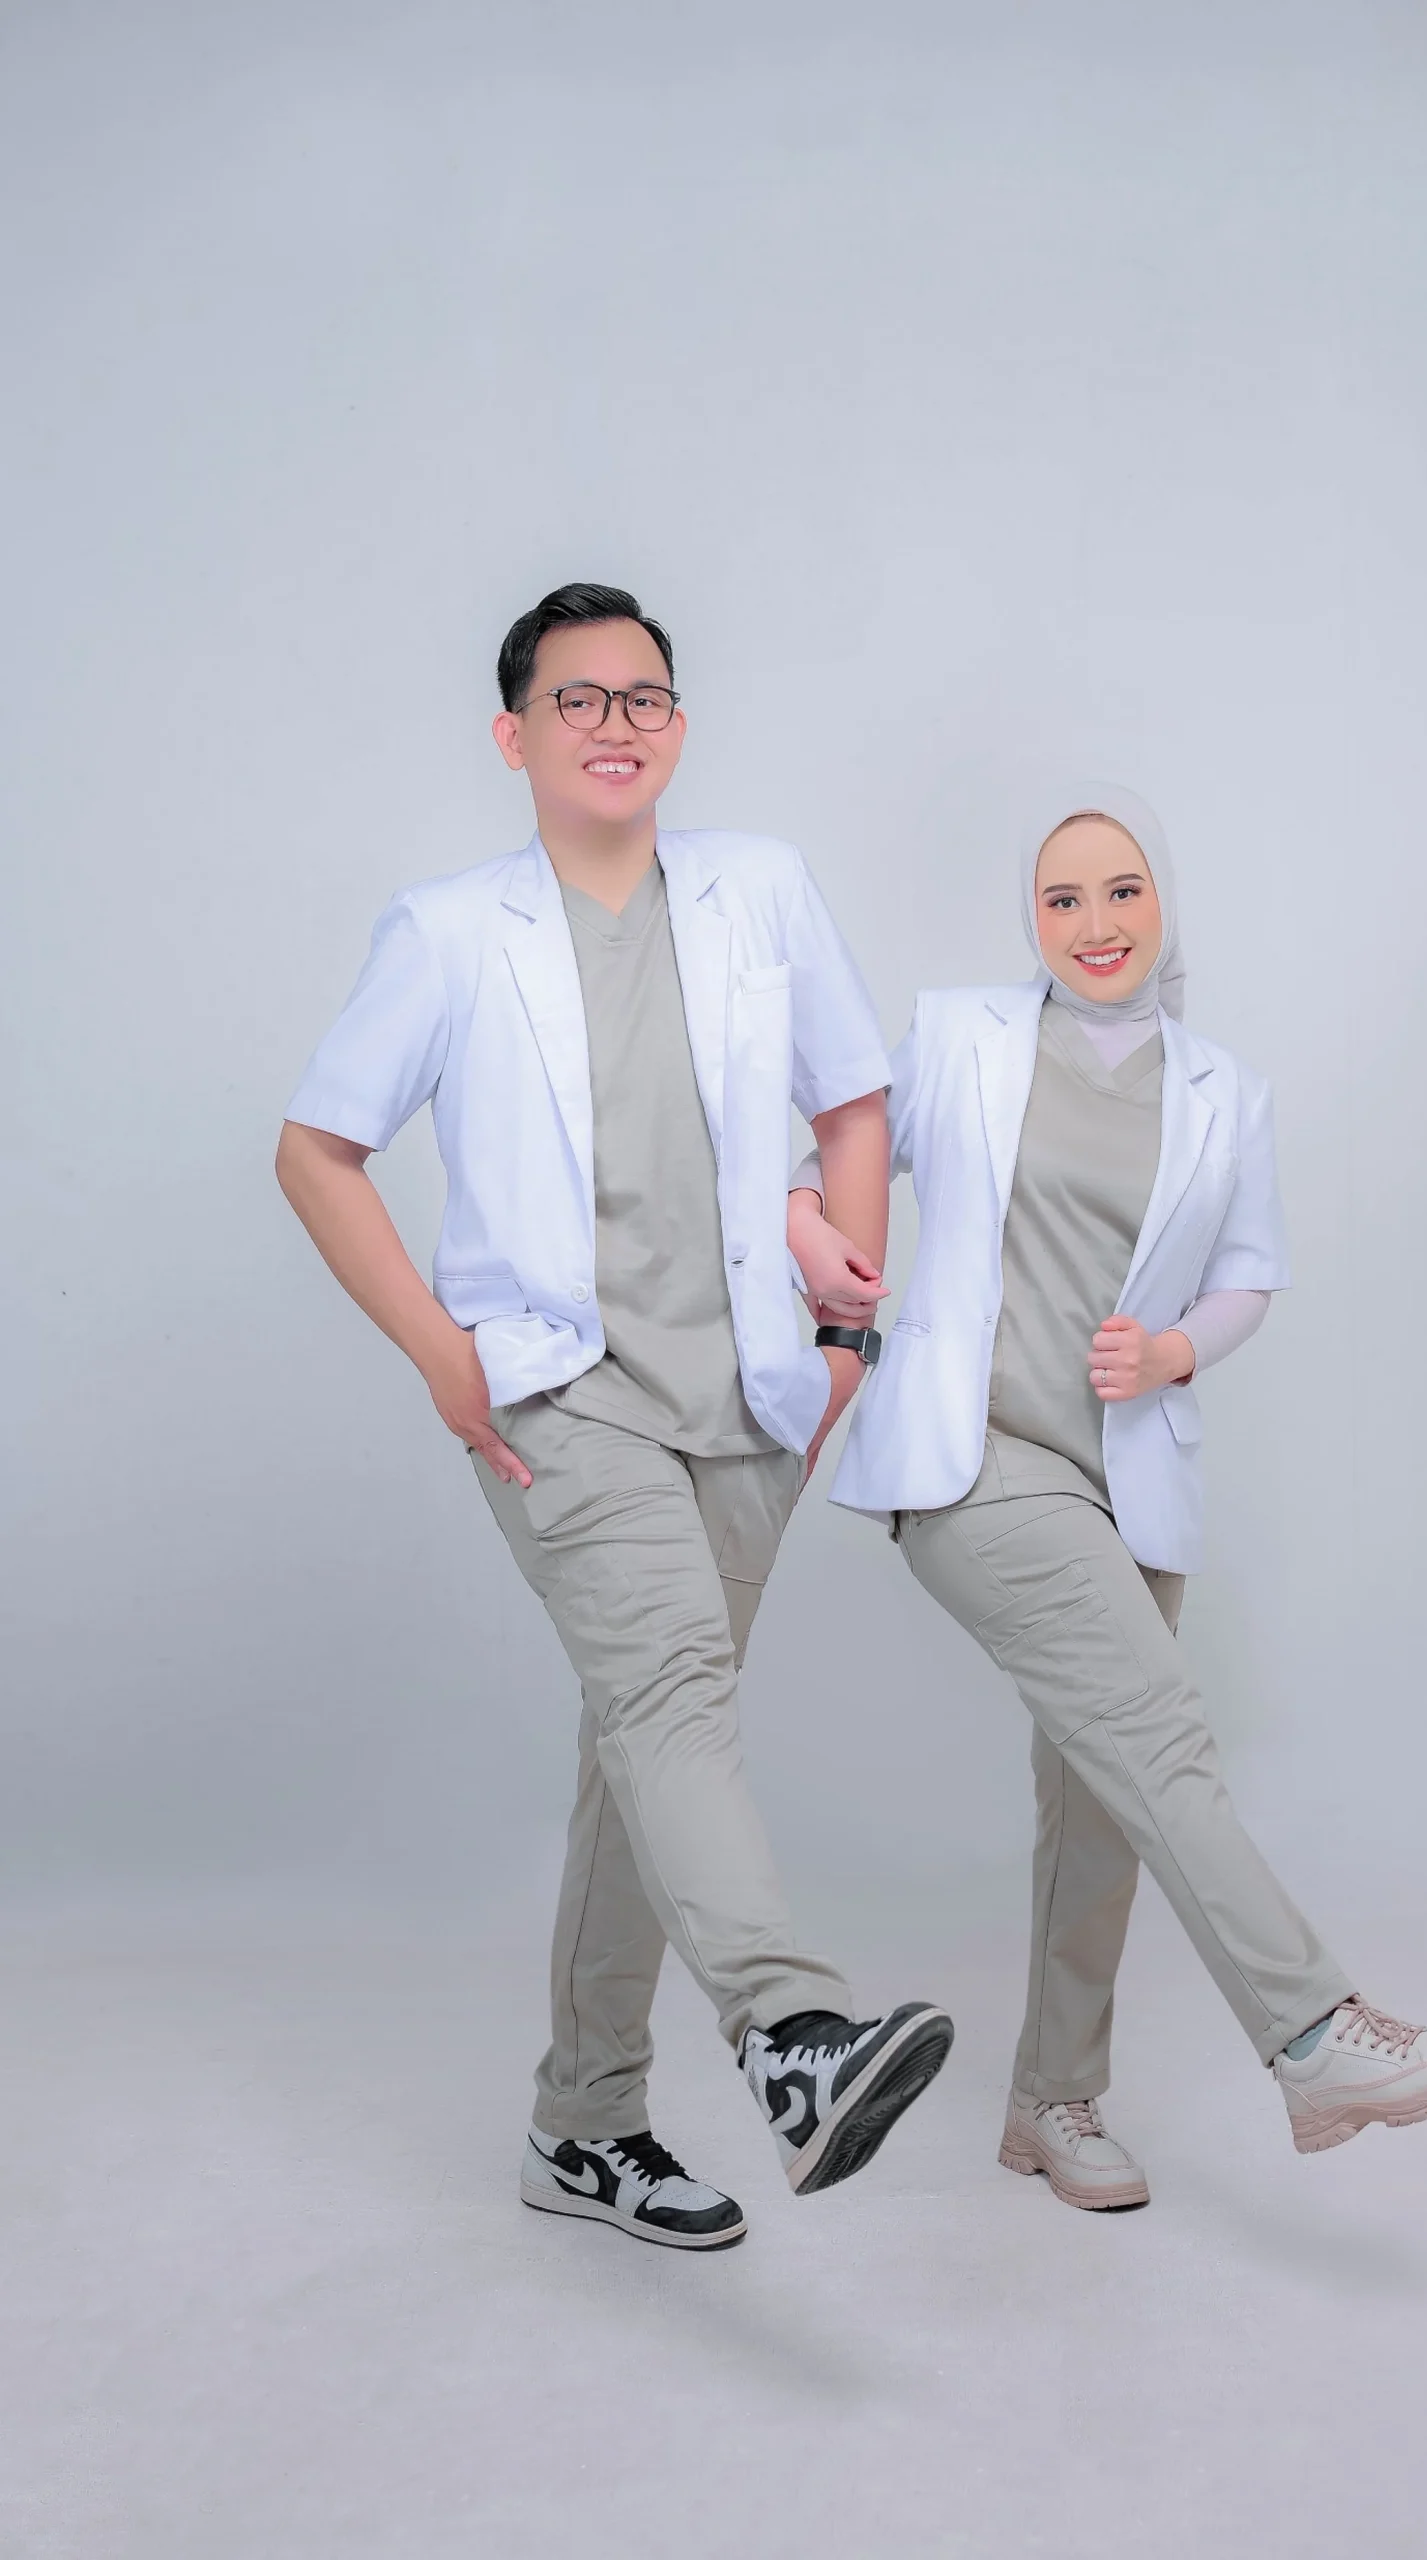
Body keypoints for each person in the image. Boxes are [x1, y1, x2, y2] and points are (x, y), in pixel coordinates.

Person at [276, 583, 952, 2252]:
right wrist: (438, 1353)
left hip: (750, 1400)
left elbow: (852, 1099)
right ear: (514, 736)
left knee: (645, 1756)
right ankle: (793, 2035)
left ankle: (581, 2128)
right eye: (576, 699)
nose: (614, 723)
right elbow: (316, 1150)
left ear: (678, 728)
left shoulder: (757, 889)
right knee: (669, 1704)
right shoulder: (449, 932)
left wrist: (846, 1332)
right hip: (560, 1397)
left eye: (643, 696)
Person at [788, 779, 1427, 2211]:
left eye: (1121, 890)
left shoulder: (1224, 1090)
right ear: (1031, 917)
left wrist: (1176, 1350)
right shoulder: (960, 1036)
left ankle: (1050, 2103)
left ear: (1163, 902)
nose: (1094, 922)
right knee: (1162, 1742)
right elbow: (829, 1155)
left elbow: (1248, 1278)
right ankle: (1315, 2032)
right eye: (1061, 898)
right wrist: (809, 1224)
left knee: (1102, 1806)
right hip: (979, 1458)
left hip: (1128, 1477)